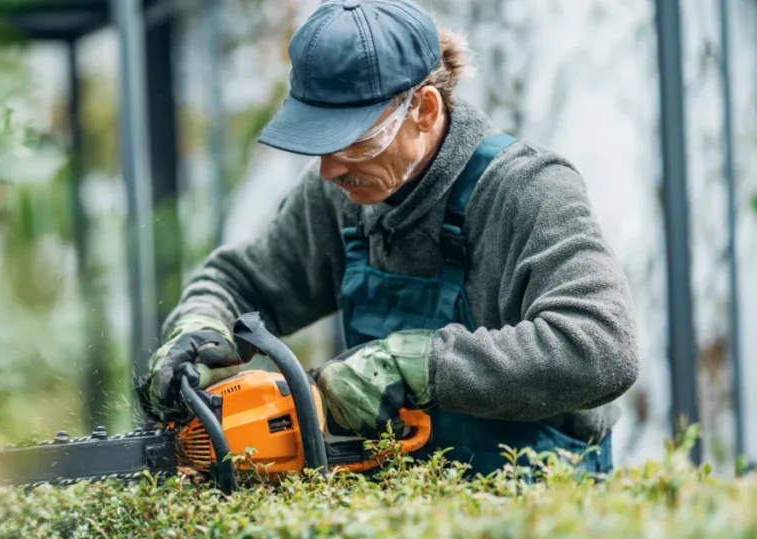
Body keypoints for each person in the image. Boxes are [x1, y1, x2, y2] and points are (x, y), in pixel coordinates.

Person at [135, 0, 640, 474]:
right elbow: (238, 281)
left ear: (423, 108)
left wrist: (417, 364)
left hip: (533, 504)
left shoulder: (528, 191)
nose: (329, 169)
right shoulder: (342, 192)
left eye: (351, 141)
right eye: (318, 142)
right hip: (405, 517)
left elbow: (602, 348)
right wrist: (199, 324)